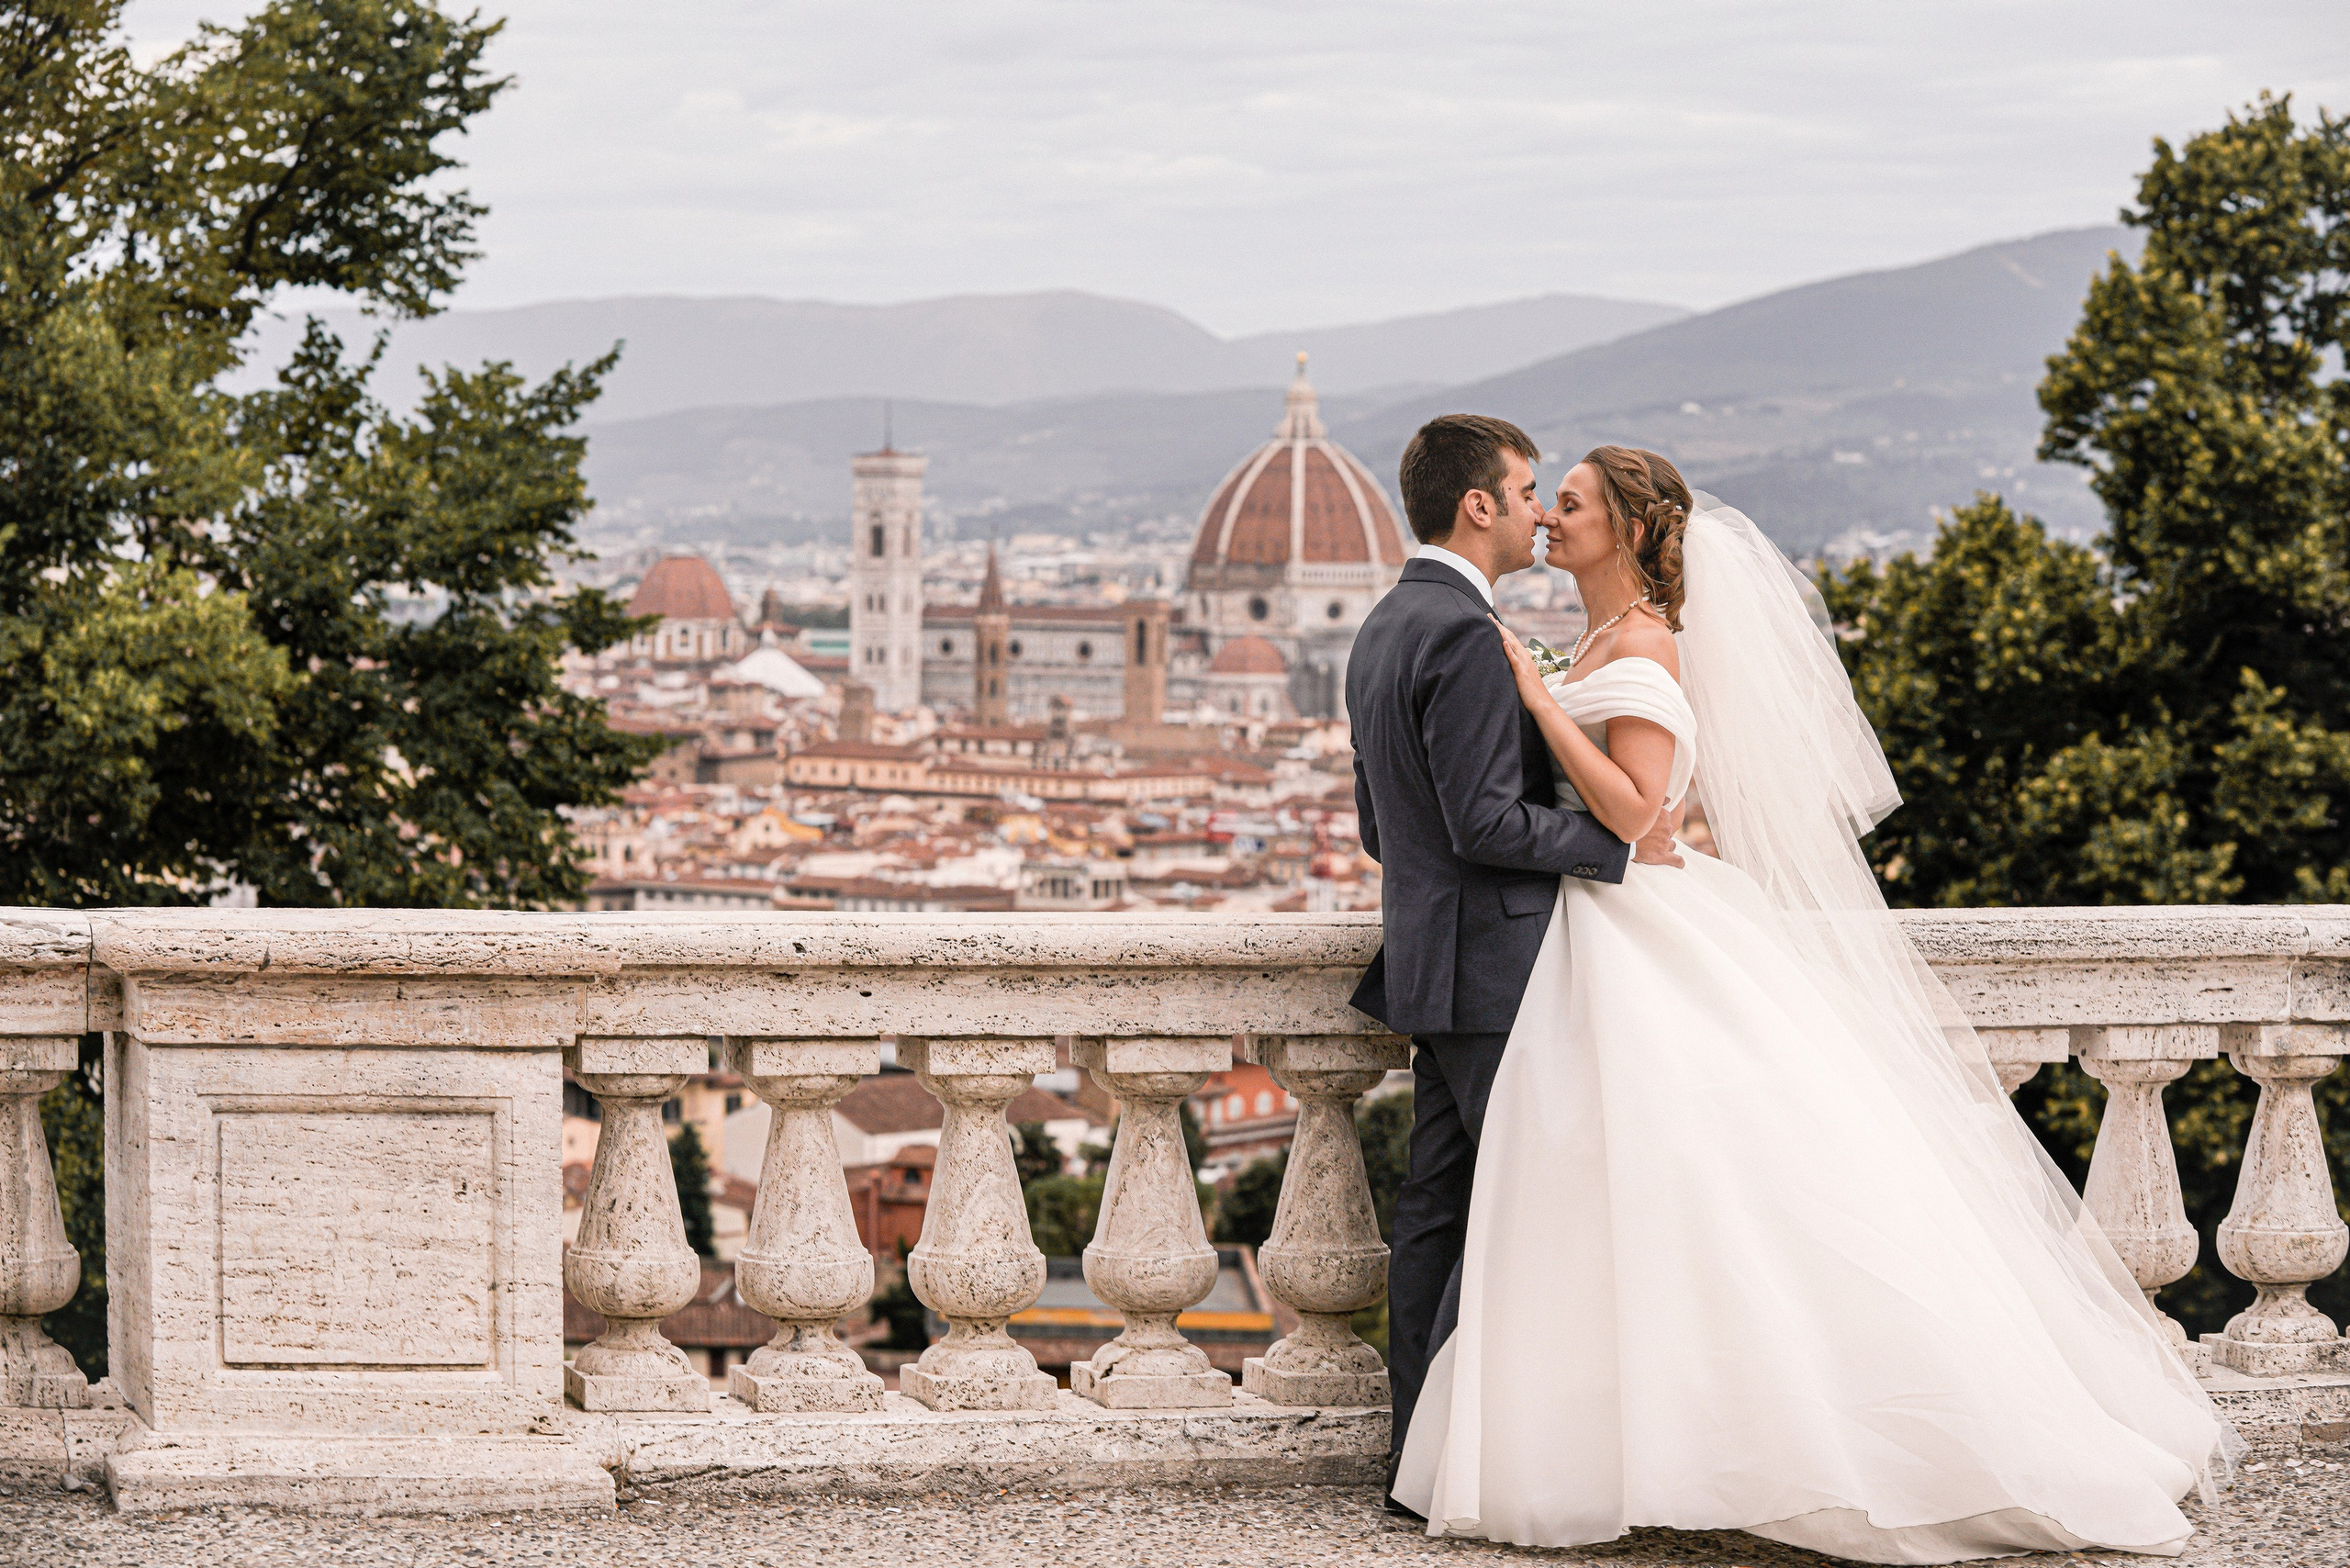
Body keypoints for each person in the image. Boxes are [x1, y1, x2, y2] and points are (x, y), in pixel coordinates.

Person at [1384, 443, 2237, 1561]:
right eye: (1545, 498)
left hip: (1630, 922)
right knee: (1610, 1197)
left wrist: (1540, 703)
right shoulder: (1591, 637)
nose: (1549, 519)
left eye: (1573, 502)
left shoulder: (1642, 644)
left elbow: (1644, 819)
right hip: (1590, 938)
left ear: (1632, 530)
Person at [1343, 416, 1683, 1517]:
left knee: (1435, 1217)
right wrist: (1613, 845)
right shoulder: (1464, 633)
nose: (1539, 510)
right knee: (1514, 1220)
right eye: (1529, 490)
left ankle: (1419, 1459)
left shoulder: (1387, 624)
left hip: (1431, 968)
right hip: (1498, 970)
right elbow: (1488, 822)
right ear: (1477, 505)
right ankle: (1469, 1465)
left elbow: (1380, 830)